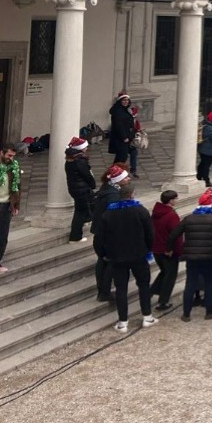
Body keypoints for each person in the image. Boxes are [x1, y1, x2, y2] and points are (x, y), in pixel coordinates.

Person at [95, 183, 156, 332]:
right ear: (132, 194)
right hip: (138, 254)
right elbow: (150, 233)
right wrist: (149, 249)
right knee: (143, 285)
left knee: (121, 288)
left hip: (117, 256)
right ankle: (147, 316)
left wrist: (103, 254)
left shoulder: (108, 214)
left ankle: (123, 321)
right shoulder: (140, 211)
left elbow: (99, 238)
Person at [172, 189, 212, 322]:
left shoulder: (188, 219)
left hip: (192, 257)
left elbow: (174, 234)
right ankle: (209, 311)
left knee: (190, 284)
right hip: (210, 256)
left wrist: (169, 248)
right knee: (210, 284)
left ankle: (186, 313)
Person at [91, 165, 128, 298]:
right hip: (107, 235)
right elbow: (112, 217)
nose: (128, 179)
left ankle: (103, 290)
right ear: (118, 180)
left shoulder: (107, 189)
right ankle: (104, 292)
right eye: (125, 177)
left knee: (103, 262)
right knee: (108, 263)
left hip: (100, 232)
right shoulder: (113, 195)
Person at [0, 144, 21, 273]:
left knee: (2, 236)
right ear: (0, 153)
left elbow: (17, 186)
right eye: (9, 155)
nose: (11, 158)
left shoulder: (13, 167)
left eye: (13, 156)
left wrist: (16, 204)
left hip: (6, 205)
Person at [150, 190, 181, 311]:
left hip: (156, 248)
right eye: (176, 198)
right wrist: (176, 250)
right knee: (170, 275)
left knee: (164, 272)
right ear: (171, 200)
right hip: (168, 250)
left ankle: (150, 292)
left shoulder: (155, 213)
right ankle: (163, 301)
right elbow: (176, 234)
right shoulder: (171, 216)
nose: (177, 200)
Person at [64, 137, 96, 243]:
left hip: (75, 188)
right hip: (81, 189)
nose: (87, 148)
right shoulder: (79, 161)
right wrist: (92, 184)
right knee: (80, 212)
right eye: (85, 146)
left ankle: (87, 219)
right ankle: (75, 236)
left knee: (83, 208)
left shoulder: (70, 159)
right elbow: (87, 175)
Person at [108, 92, 134, 165]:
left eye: (127, 100)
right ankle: (116, 170)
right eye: (124, 100)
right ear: (120, 101)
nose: (126, 102)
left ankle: (131, 169)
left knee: (130, 153)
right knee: (121, 157)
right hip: (121, 138)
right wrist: (124, 137)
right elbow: (118, 125)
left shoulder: (126, 110)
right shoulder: (118, 111)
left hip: (127, 137)